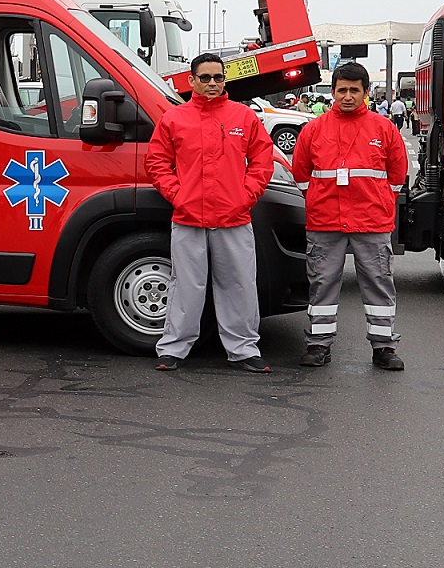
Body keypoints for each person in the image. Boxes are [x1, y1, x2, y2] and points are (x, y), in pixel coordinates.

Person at [147, 51, 278, 372]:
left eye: (218, 78)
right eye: (204, 78)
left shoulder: (243, 117)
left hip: (234, 217)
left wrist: (246, 195)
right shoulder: (174, 118)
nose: (211, 83)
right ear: (191, 80)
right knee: (185, 285)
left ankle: (244, 349)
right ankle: (174, 348)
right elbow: (156, 162)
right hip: (188, 217)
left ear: (224, 80)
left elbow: (263, 160)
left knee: (239, 283)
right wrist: (178, 195)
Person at [288, 60, 406, 370]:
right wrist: (314, 197)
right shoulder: (314, 130)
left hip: (371, 219)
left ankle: (384, 348)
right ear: (333, 92)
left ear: (366, 92)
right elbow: (300, 173)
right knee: (322, 283)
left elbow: (397, 174)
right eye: (342, 90)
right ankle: (318, 345)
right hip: (325, 220)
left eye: (355, 90)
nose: (348, 96)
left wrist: (380, 199)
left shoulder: (384, 128)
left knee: (378, 282)